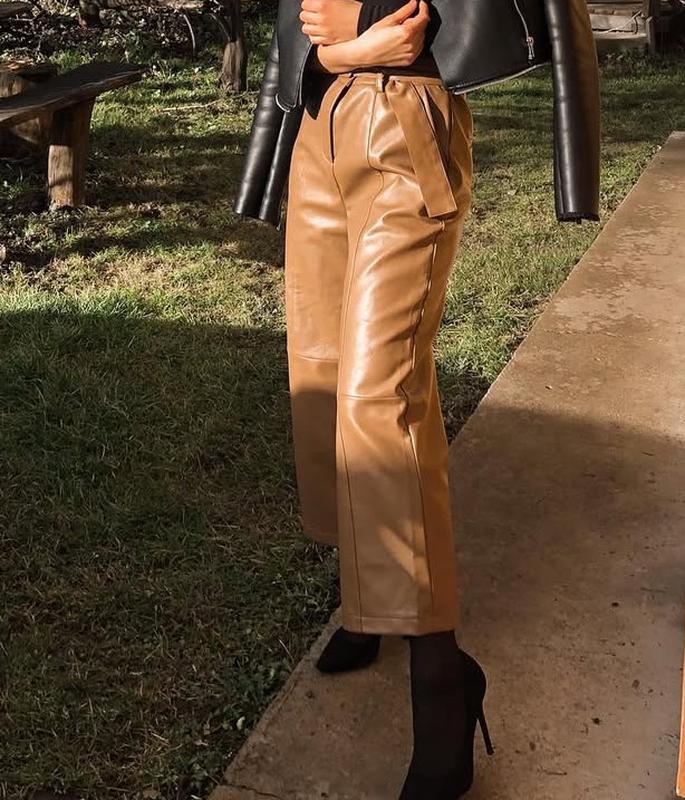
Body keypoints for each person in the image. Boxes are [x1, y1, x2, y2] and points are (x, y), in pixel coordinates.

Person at [234, 1, 600, 797]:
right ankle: (366, 602)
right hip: (319, 120)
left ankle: (441, 682)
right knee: (322, 375)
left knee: (380, 393)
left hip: (404, 123)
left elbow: (418, 24)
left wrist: (367, 25)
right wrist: (338, 55)